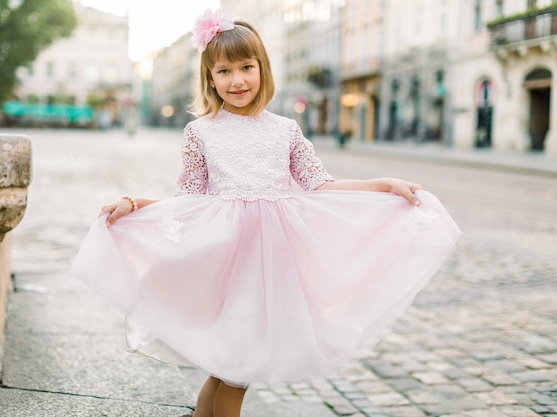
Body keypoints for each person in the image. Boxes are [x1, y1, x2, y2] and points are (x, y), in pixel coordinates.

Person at [70, 9, 461, 417]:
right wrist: (134, 205)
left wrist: (384, 184)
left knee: (229, 372)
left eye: (246, 67)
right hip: (227, 263)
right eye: (223, 71)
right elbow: (188, 198)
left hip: (273, 266)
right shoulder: (199, 132)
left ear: (262, 69)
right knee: (233, 373)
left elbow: (320, 184)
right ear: (210, 79)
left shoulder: (285, 129)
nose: (237, 80)